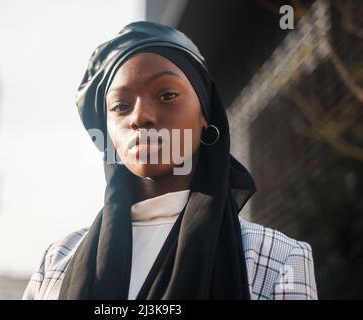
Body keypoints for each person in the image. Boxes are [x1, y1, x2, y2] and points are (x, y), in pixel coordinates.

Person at [23, 21, 317, 300]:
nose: (140, 117)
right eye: (121, 106)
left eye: (166, 95)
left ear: (205, 115)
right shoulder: (57, 259)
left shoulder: (279, 259)